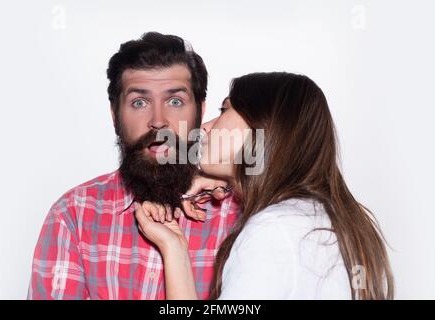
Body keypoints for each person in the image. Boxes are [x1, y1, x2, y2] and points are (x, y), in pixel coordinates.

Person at [135, 72, 394, 299]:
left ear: (261, 125)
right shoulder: (329, 221)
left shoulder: (273, 228)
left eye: (224, 110)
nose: (204, 128)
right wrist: (175, 248)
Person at [27, 32, 239, 300]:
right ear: (115, 116)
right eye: (139, 102)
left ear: (200, 112)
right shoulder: (73, 215)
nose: (158, 121)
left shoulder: (241, 216)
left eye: (175, 101)